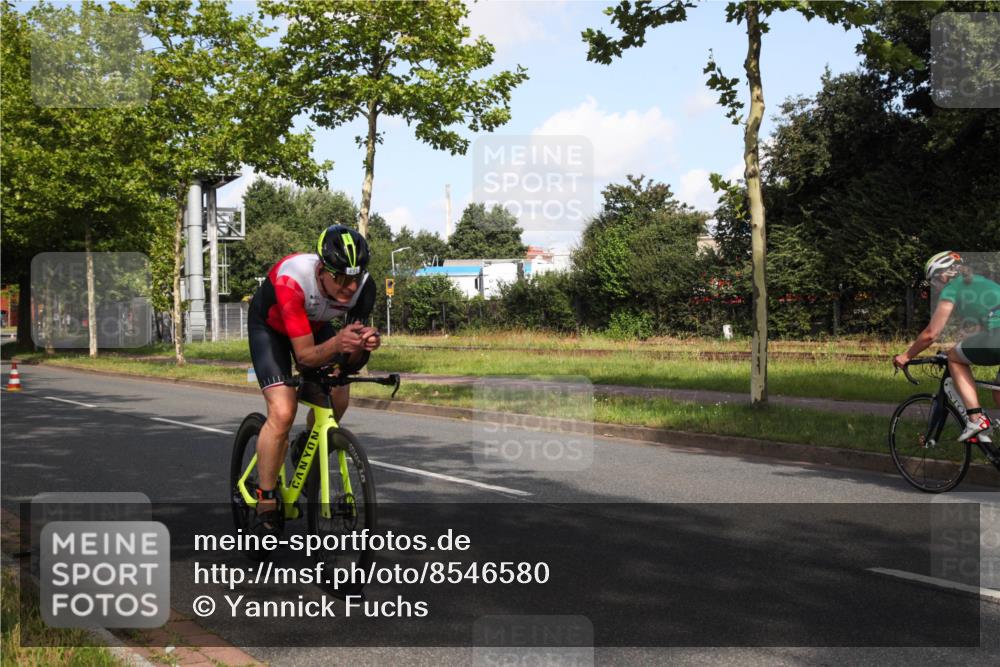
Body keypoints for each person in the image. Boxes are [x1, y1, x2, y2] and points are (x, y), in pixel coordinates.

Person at [247, 224, 381, 537]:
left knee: (339, 395)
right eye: (341, 278)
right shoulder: (292, 279)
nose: (349, 287)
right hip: (271, 330)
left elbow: (350, 363)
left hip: (315, 326)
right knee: (282, 411)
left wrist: (363, 348)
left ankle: (305, 446)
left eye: (355, 277)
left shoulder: (364, 287)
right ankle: (265, 501)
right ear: (321, 269)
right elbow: (305, 357)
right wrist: (337, 345)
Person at [893, 251, 1000, 443]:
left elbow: (931, 333)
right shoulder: (981, 283)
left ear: (945, 274)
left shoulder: (953, 287)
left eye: (933, 280)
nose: (934, 285)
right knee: (998, 394)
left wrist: (906, 356)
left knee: (954, 357)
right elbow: (983, 327)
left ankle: (976, 418)